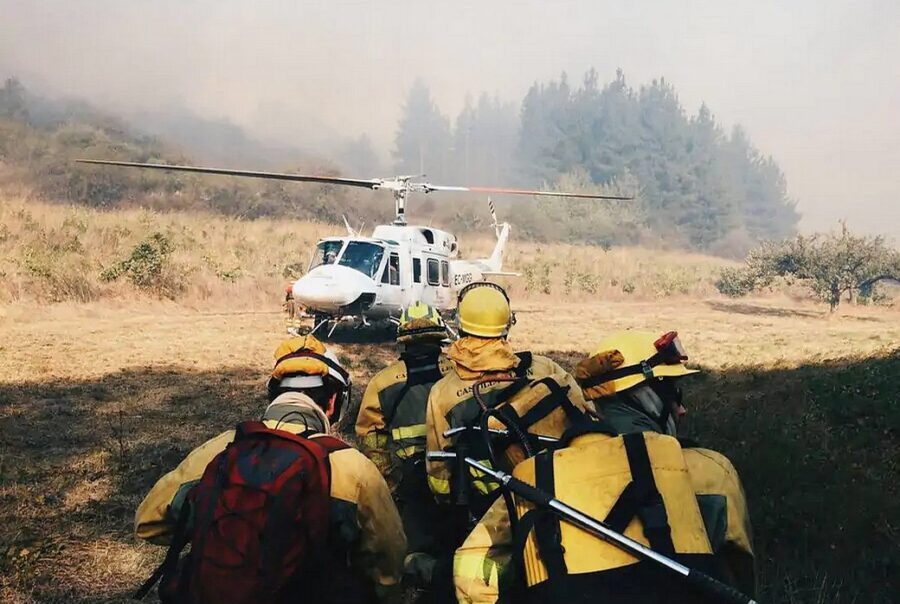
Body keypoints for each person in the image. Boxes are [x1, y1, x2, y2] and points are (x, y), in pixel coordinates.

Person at [453, 330, 755, 604]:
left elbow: (471, 570)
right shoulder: (712, 471)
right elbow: (736, 576)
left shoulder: (541, 479)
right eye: (673, 394)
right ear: (644, 395)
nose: (682, 409)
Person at [135, 334, 406, 604]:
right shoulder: (353, 468)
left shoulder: (220, 448)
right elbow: (388, 558)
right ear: (333, 402)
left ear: (274, 395)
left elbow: (148, 524)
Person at [425, 281, 595, 526]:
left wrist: (448, 508)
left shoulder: (442, 392)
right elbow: (585, 419)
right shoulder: (545, 368)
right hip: (562, 494)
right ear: (507, 325)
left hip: (492, 512)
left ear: (460, 326)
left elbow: (440, 469)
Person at [355, 302, 453, 592]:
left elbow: (371, 437)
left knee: (415, 537)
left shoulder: (383, 382)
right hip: (455, 472)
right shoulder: (458, 373)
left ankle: (417, 578)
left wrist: (389, 481)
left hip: (408, 482)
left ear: (402, 340)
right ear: (439, 336)